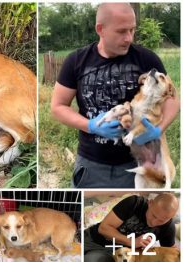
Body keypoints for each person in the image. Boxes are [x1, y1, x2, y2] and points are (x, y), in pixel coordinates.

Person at [51, 3, 180, 188]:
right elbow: (57, 106)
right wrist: (90, 125)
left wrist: (159, 130)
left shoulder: (146, 59)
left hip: (137, 163)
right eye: (121, 31)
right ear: (100, 29)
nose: (129, 38)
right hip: (91, 165)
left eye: (132, 30)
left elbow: (173, 100)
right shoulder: (76, 60)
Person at [84, 193, 179, 262]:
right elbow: (103, 228)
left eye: (162, 220)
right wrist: (132, 242)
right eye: (153, 215)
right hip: (92, 237)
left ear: (171, 217)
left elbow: (172, 251)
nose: (154, 222)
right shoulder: (134, 203)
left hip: (114, 254)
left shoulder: (168, 227)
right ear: (150, 203)